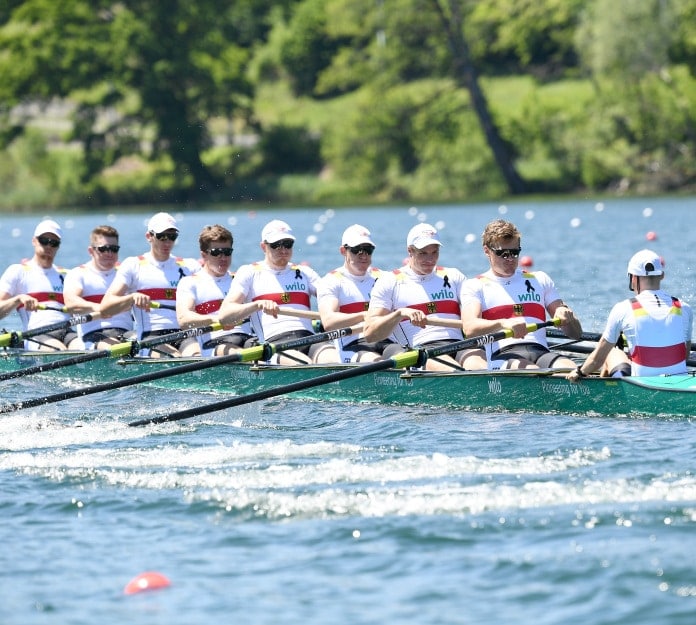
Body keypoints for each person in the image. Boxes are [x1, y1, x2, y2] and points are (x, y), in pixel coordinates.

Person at [363, 223, 487, 371]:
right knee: (453, 371)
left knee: (480, 366)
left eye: (434, 252)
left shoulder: (454, 276)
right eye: (423, 253)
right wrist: (400, 313)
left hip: (461, 345)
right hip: (422, 351)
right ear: (410, 251)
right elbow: (370, 333)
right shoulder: (390, 281)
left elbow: (476, 314)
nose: (430, 259)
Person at [459, 219, 581, 370]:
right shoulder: (475, 285)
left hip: (541, 351)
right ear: (487, 251)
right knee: (531, 371)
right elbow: (469, 329)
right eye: (502, 253)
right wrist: (503, 323)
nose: (510, 259)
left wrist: (567, 316)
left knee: (570, 368)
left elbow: (576, 334)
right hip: (503, 354)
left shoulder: (540, 279)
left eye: (515, 253)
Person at [218, 219, 336, 365]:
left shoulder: (305, 273)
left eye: (287, 244)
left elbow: (333, 297)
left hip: (310, 339)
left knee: (334, 359)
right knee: (303, 364)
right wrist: (257, 305)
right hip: (274, 344)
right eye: (276, 245)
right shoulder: (249, 273)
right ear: (263, 247)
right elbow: (224, 316)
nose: (283, 250)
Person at [567, 249, 692, 381]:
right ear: (662, 276)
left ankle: (605, 394)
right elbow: (685, 355)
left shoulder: (623, 308)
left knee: (612, 352)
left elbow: (597, 361)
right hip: (679, 383)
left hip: (642, 388)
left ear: (633, 278)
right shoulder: (684, 307)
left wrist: (579, 372)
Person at [100, 212, 200, 357]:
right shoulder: (134, 265)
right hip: (151, 337)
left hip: (185, 335)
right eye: (162, 237)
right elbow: (105, 308)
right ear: (149, 237)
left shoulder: (189, 266)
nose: (167, 242)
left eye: (172, 237)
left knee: (196, 355)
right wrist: (131, 297)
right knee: (175, 357)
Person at [316, 224, 394, 363]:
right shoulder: (331, 281)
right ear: (343, 251)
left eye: (368, 250)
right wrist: (364, 315)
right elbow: (328, 321)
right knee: (380, 363)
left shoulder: (384, 277)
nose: (363, 255)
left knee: (411, 359)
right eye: (357, 250)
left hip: (386, 340)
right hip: (352, 345)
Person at [0, 219, 80, 350]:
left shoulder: (66, 275)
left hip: (67, 332)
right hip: (36, 334)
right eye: (44, 241)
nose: (49, 246)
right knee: (58, 350)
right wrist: (18, 299)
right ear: (34, 241)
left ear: (58, 246)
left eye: (54, 243)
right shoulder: (18, 271)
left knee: (82, 349)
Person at [176, 224, 255, 356]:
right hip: (215, 345)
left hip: (248, 340)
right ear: (204, 255)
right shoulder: (190, 283)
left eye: (227, 252)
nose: (223, 258)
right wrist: (218, 319)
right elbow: (184, 319)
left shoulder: (240, 280)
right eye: (216, 253)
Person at [62, 225, 135, 350]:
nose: (109, 253)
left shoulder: (125, 274)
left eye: (114, 249)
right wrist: (99, 308)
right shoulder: (78, 274)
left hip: (125, 333)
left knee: (143, 343)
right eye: (104, 249)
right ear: (91, 251)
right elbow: (70, 303)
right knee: (119, 348)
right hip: (93, 334)